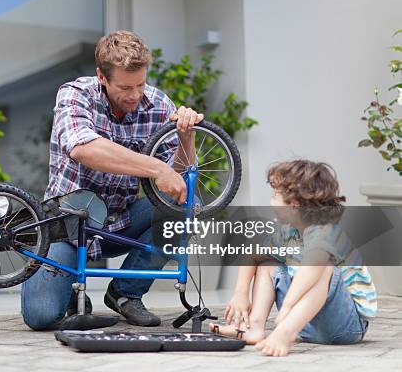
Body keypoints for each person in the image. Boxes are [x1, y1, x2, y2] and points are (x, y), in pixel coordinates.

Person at [21, 30, 204, 330]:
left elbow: (180, 179)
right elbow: (83, 148)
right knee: (41, 316)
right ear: (102, 77)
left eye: (140, 84)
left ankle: (125, 293)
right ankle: (69, 294)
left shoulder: (158, 104)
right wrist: (156, 168)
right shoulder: (76, 94)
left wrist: (186, 140)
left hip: (120, 223)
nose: (134, 95)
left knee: (188, 203)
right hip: (67, 225)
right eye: (124, 87)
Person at [210, 160, 377, 356]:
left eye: (275, 196)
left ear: (294, 205)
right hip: (305, 323)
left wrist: (287, 308)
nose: (271, 202)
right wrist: (240, 292)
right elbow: (251, 255)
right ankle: (253, 328)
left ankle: (285, 333)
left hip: (345, 325)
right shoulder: (287, 233)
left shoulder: (326, 232)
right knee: (268, 263)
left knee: (323, 268)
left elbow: (313, 267)